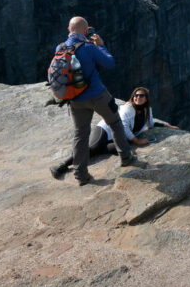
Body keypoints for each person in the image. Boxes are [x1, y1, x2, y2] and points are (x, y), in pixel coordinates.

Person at [58, 16, 139, 186]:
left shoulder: (60, 48)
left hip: (75, 99)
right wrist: (101, 46)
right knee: (115, 123)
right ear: (87, 31)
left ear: (68, 30)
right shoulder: (89, 47)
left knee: (80, 134)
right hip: (97, 95)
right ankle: (125, 157)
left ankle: (81, 174)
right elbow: (110, 63)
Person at [50, 86, 178, 179]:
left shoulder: (147, 110)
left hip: (117, 139)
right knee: (93, 147)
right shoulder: (128, 108)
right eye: (136, 95)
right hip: (105, 130)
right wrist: (136, 140)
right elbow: (123, 126)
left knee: (102, 151)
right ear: (133, 97)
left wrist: (167, 125)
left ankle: (81, 160)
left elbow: (150, 123)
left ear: (146, 98)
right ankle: (62, 166)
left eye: (141, 96)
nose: (138, 97)